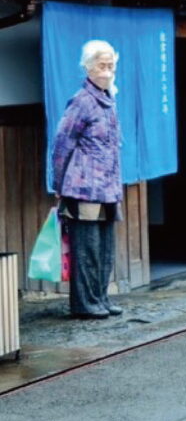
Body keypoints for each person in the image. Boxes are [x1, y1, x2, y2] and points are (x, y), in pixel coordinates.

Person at [51, 40, 124, 319]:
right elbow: (61, 144)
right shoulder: (82, 100)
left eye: (111, 65)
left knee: (105, 248)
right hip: (83, 186)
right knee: (87, 248)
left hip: (108, 186)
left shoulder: (109, 98)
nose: (107, 70)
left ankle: (101, 298)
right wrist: (58, 185)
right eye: (102, 65)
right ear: (88, 67)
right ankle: (85, 303)